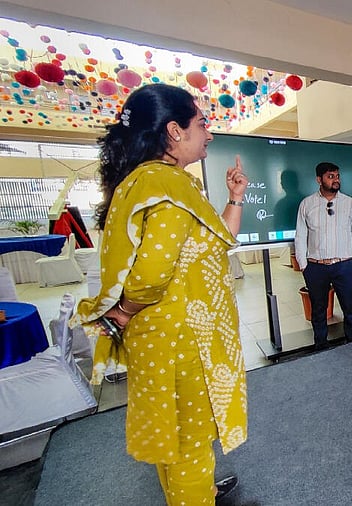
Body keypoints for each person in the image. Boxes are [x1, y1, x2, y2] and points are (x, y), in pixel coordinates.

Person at [72, 84, 248, 505]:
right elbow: (150, 277)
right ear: (174, 130)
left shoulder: (149, 181)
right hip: (182, 342)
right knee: (189, 445)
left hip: (162, 339)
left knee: (175, 439)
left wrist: (235, 198)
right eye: (202, 124)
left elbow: (218, 240)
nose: (209, 134)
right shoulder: (166, 185)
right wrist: (124, 310)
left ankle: (199, 492)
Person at [295, 162, 352, 349]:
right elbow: (300, 236)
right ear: (319, 179)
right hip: (316, 267)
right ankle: (321, 348)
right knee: (318, 311)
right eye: (330, 176)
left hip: (344, 265)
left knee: (350, 309)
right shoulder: (307, 204)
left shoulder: (349, 204)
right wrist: (304, 265)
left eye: (337, 176)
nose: (336, 180)